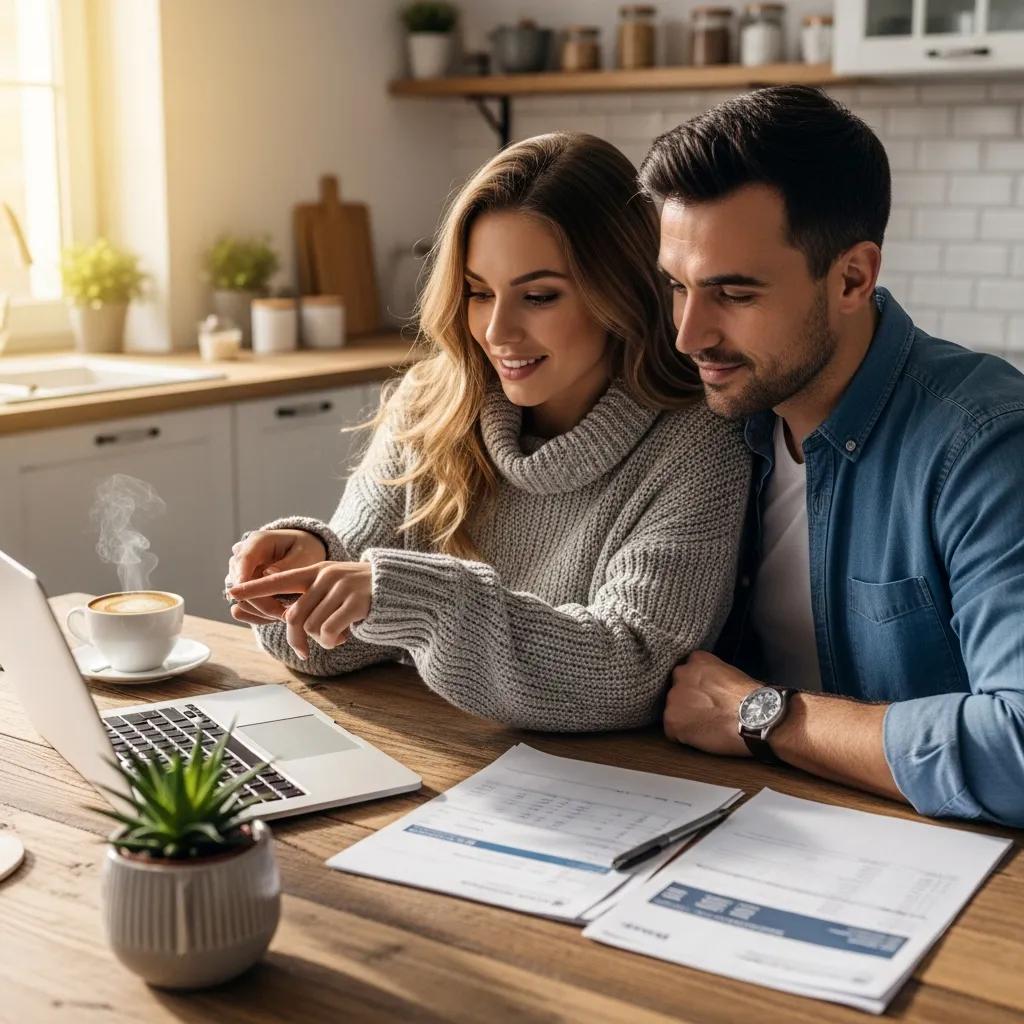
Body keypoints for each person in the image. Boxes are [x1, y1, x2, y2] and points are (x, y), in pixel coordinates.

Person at [225, 132, 750, 732]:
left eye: (538, 296)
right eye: (479, 292)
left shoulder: (698, 444)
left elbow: (631, 674)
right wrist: (307, 569)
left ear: (622, 293)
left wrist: (418, 600)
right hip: (439, 762)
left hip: (601, 793)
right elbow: (319, 647)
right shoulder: (432, 403)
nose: (498, 330)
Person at [645, 85, 1024, 827]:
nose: (689, 335)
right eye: (677, 288)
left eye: (734, 293)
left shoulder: (985, 446)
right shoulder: (713, 425)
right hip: (740, 824)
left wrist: (764, 717)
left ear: (853, 276)